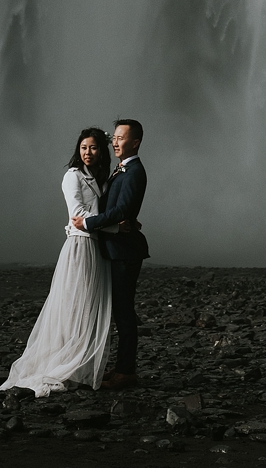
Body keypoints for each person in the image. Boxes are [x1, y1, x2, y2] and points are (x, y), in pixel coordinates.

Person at [0, 128, 120, 397]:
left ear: (102, 151)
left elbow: (92, 216)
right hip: (80, 246)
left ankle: (80, 364)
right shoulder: (72, 176)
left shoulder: (101, 179)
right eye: (84, 147)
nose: (88, 152)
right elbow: (77, 214)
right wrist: (117, 226)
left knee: (88, 306)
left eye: (94, 148)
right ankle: (65, 362)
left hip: (96, 248)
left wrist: (105, 222)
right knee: (73, 304)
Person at [72, 119, 149, 390]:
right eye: (114, 137)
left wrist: (89, 223)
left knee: (124, 312)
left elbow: (122, 210)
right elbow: (119, 209)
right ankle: (121, 367)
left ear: (135, 142)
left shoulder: (134, 171)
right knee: (119, 310)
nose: (114, 142)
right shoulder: (121, 170)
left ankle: (126, 372)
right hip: (117, 248)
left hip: (125, 251)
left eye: (120, 138)